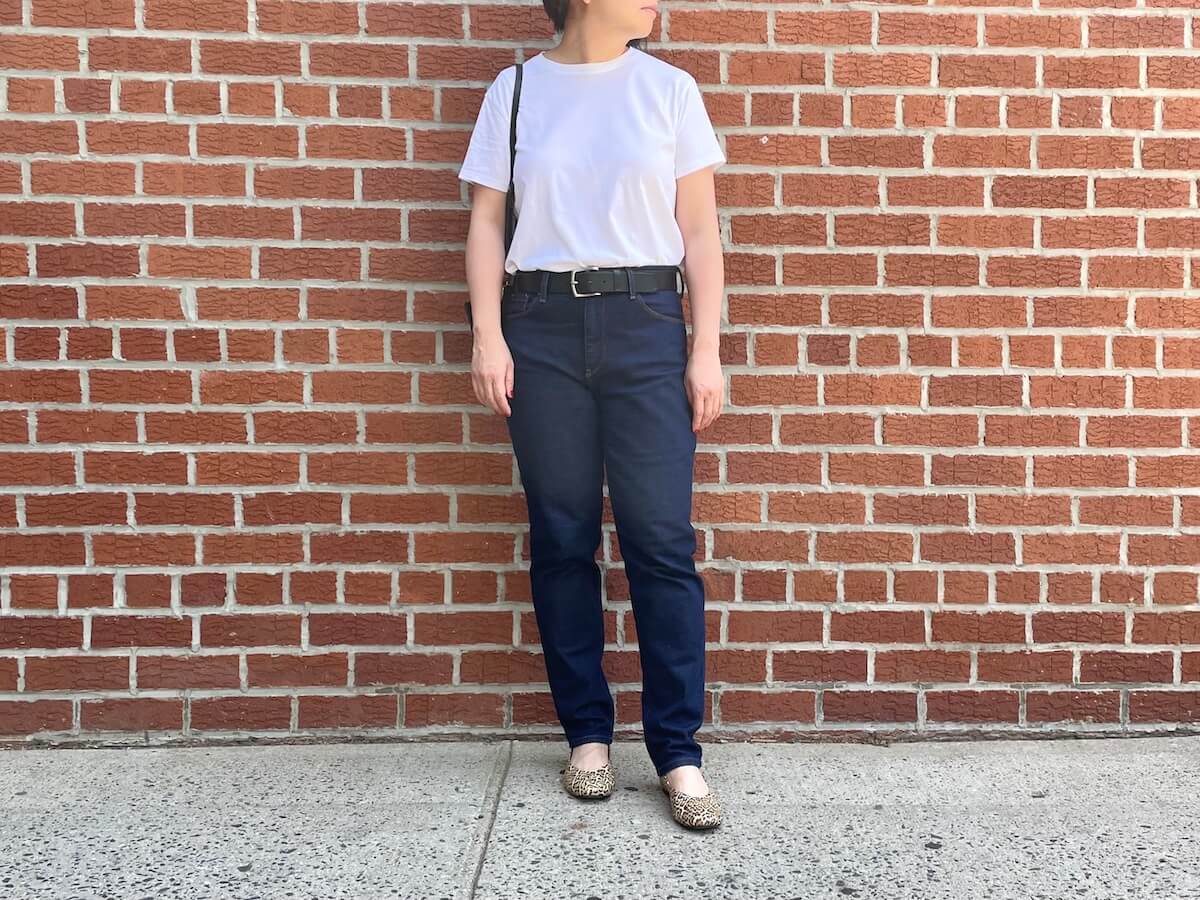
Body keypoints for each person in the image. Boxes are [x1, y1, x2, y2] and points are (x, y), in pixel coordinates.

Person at [457, 0, 726, 830]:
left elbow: (700, 232)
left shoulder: (670, 90)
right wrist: (488, 335)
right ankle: (587, 737)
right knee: (564, 533)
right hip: (539, 329)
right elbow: (486, 222)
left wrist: (705, 347)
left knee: (660, 541)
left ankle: (678, 750)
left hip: (646, 323)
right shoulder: (514, 90)